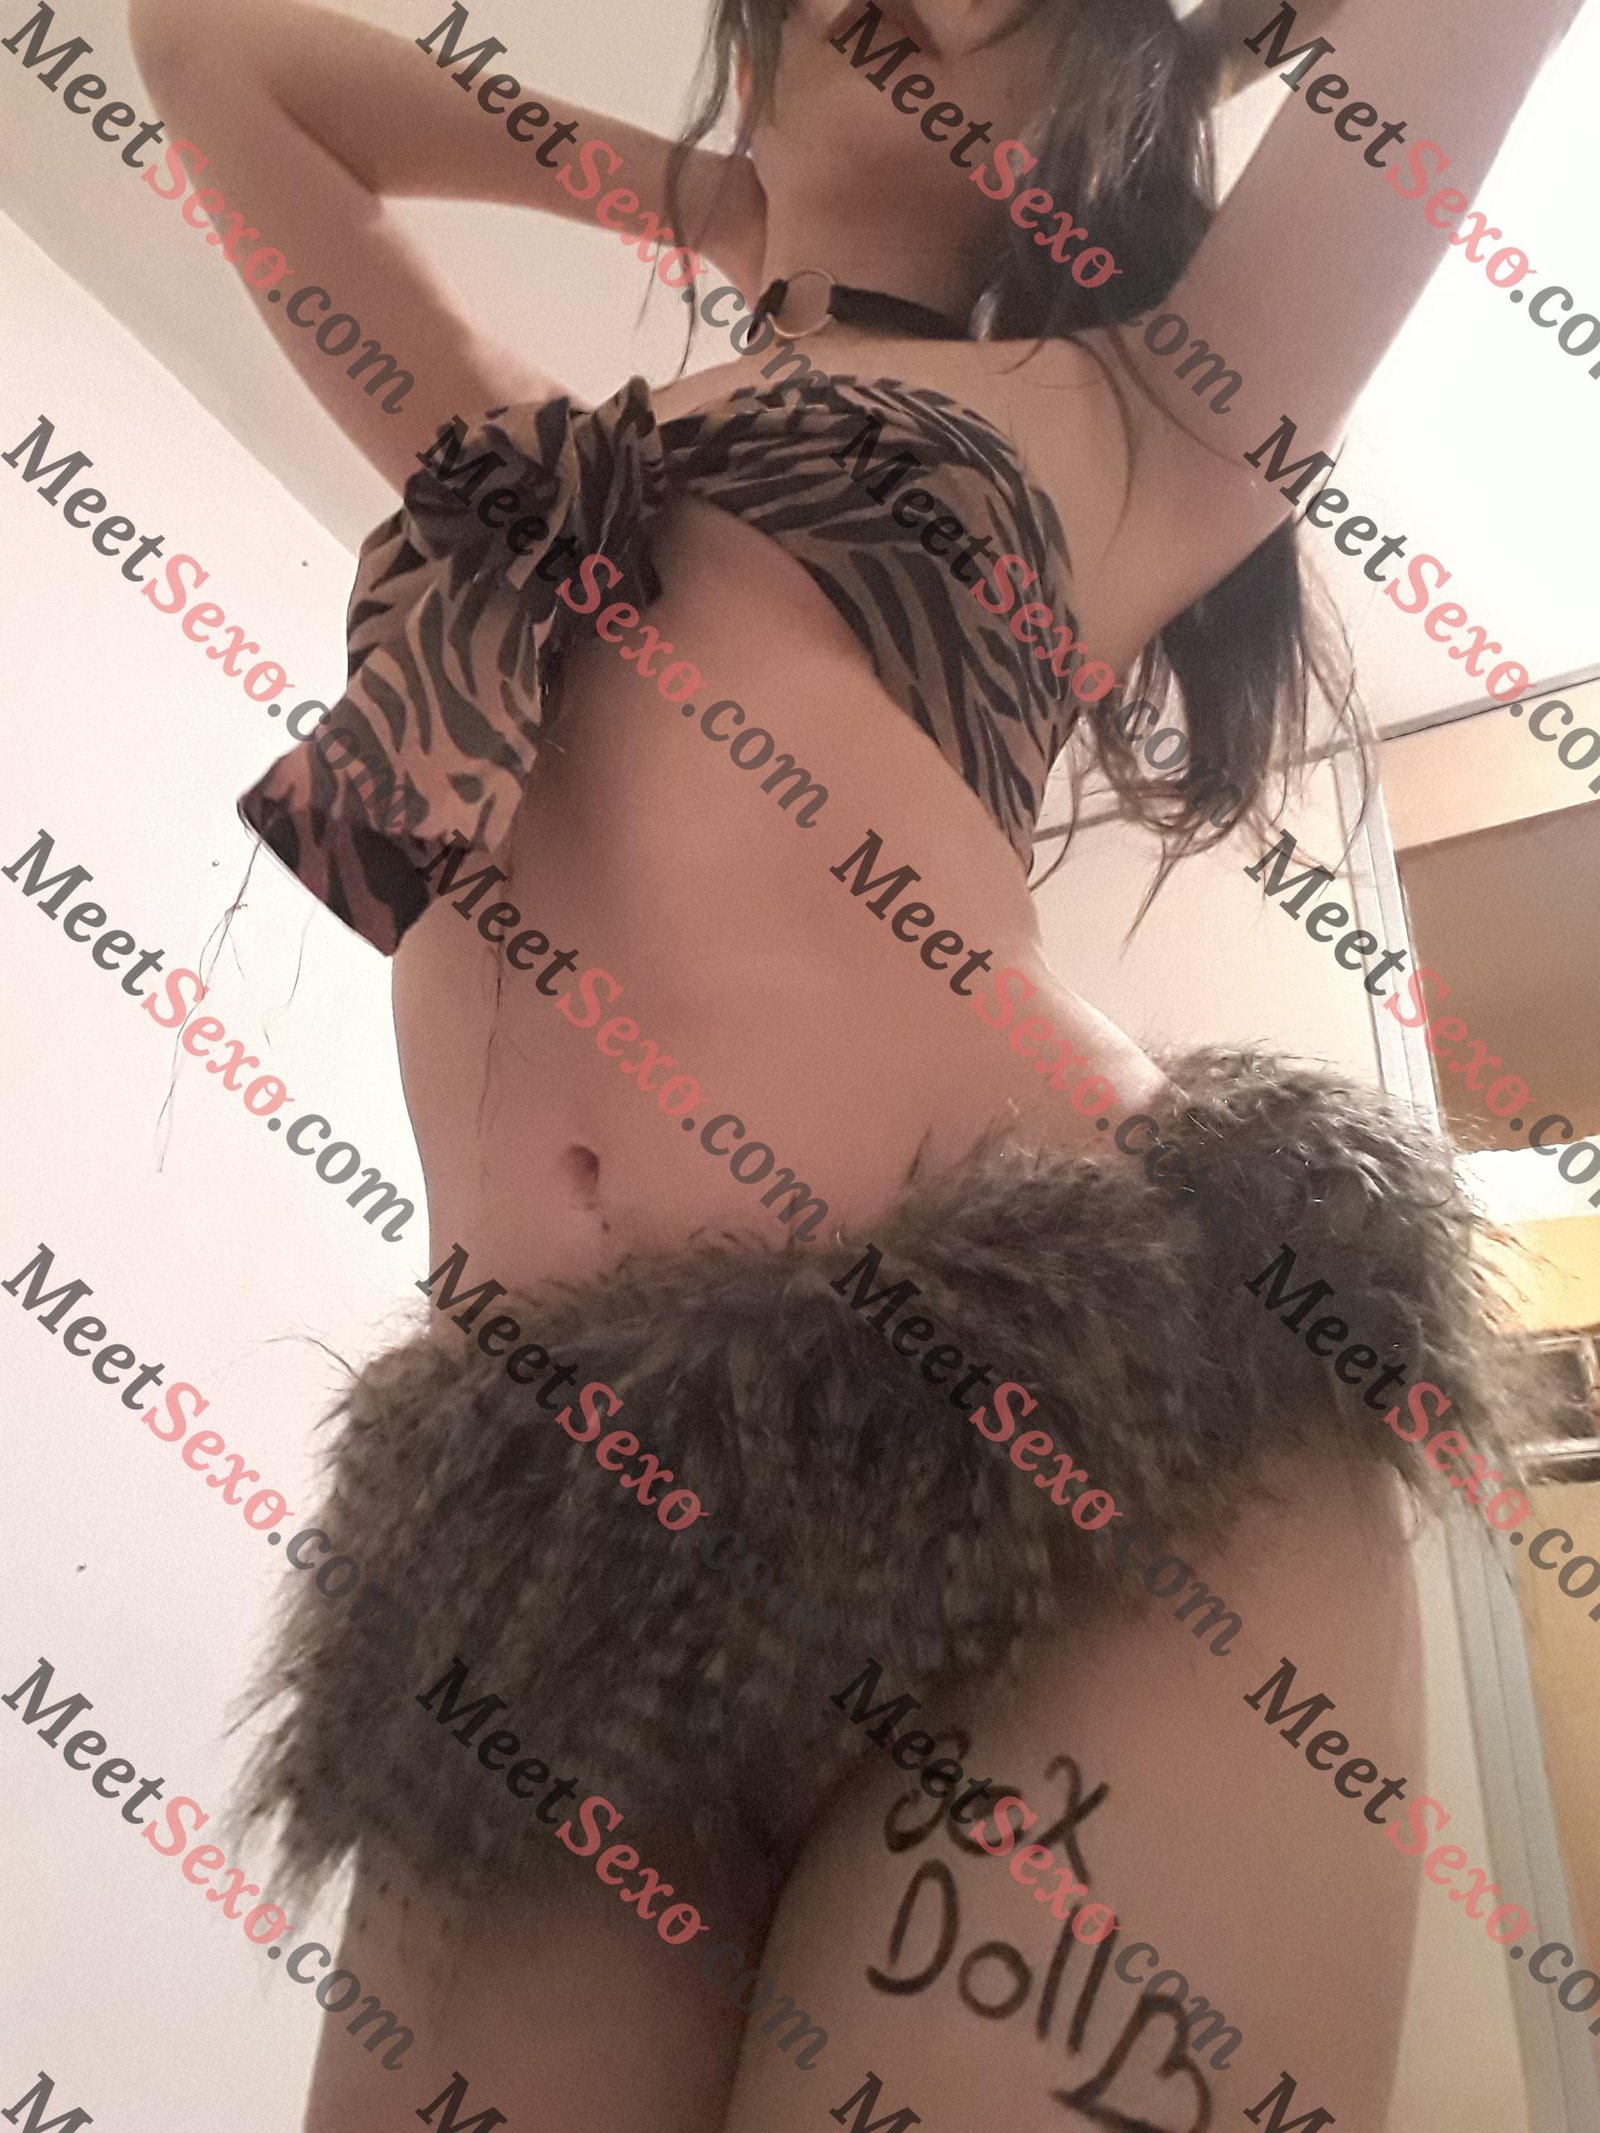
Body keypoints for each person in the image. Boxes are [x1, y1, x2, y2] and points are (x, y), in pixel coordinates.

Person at [127, 1, 1571, 2127]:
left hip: (1081, 1406)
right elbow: (204, 51)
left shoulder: (1147, 406)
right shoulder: (502, 439)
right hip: (547, 1534)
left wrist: (1188, 52)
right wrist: (704, 194)